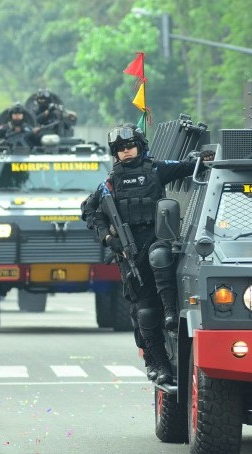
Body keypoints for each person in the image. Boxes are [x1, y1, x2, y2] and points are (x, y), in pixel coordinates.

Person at [81, 124, 214, 384]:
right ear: (115, 154)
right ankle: (157, 362)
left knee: (160, 258)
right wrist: (108, 238)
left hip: (156, 241)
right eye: (120, 149)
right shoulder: (108, 185)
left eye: (130, 146)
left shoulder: (155, 169)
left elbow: (188, 167)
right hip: (130, 254)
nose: (126, 152)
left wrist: (204, 157)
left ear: (139, 146)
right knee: (143, 313)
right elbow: (89, 211)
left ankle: (170, 313)